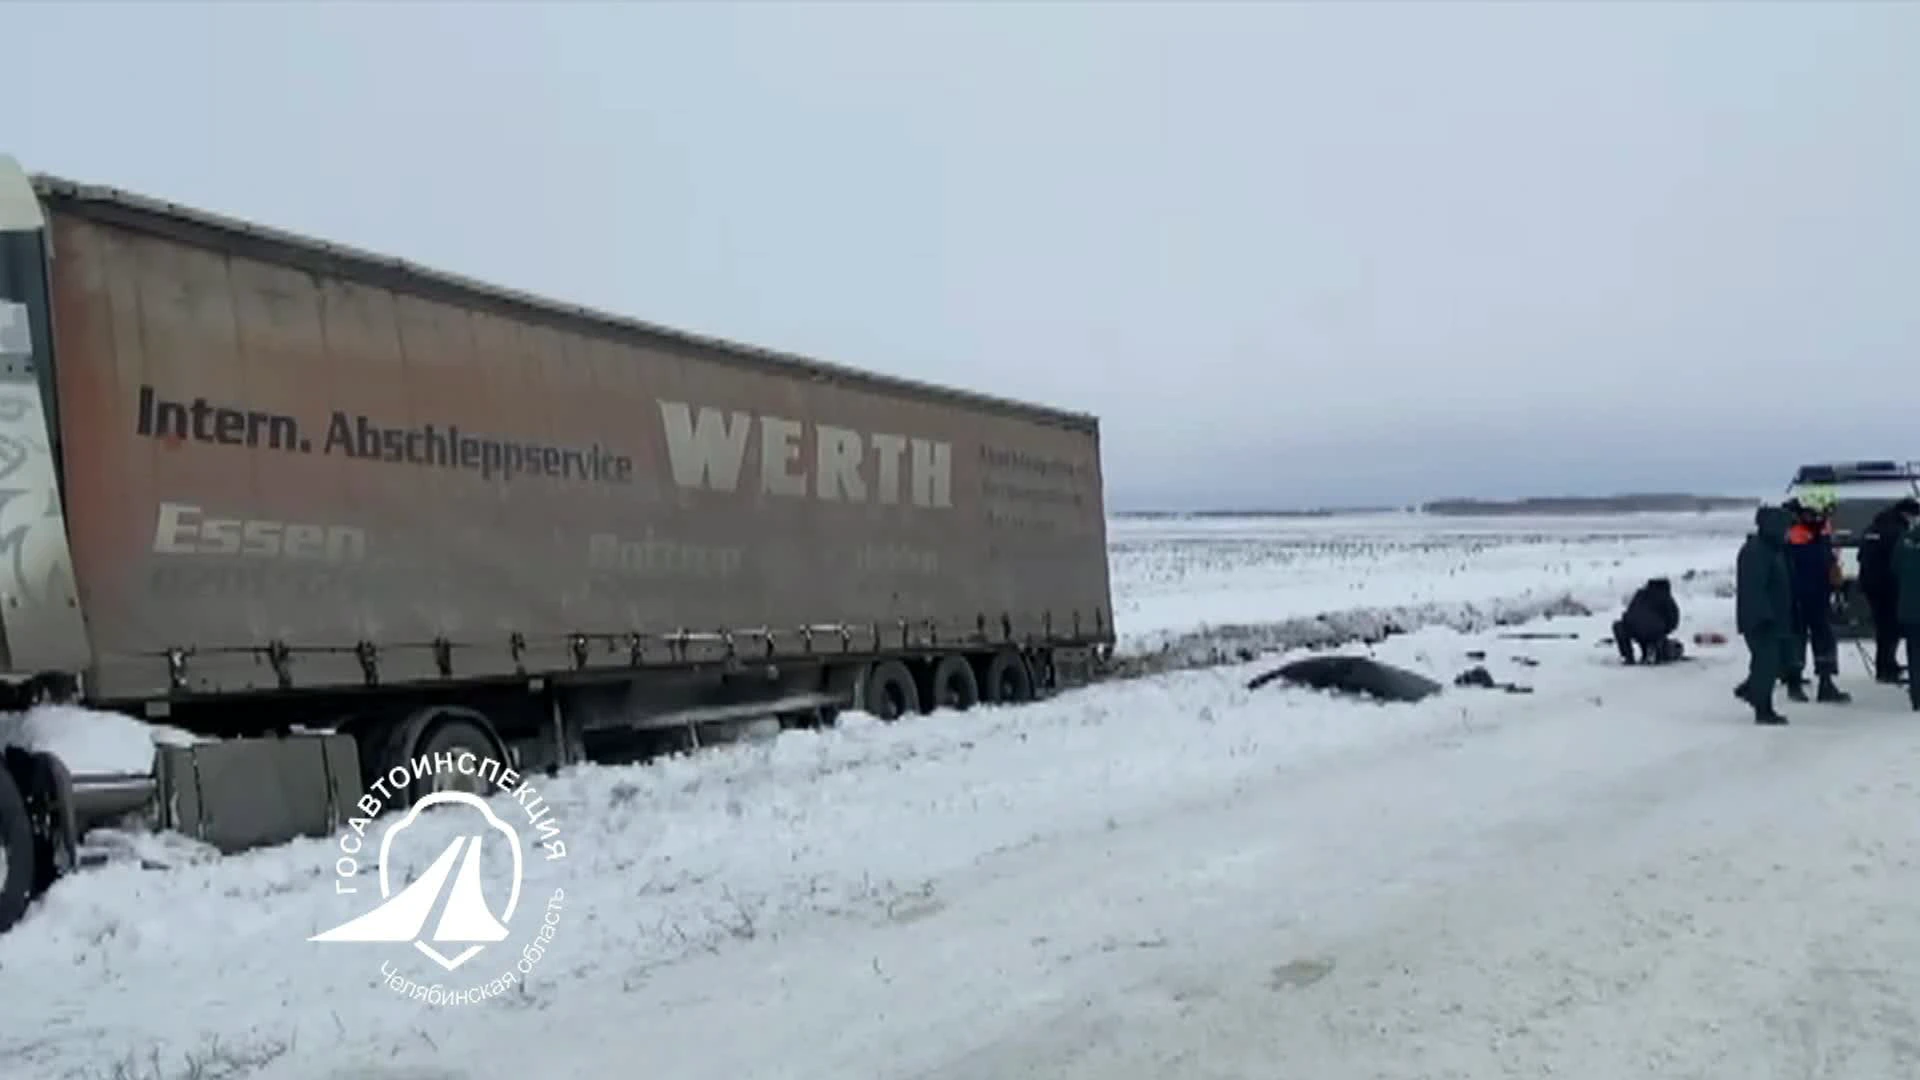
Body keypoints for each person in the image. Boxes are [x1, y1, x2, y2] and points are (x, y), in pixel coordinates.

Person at [1781, 493, 1850, 704]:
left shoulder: (1821, 531)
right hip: (1797, 595)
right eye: (1818, 513)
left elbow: (1827, 557)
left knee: (1825, 638)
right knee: (1796, 640)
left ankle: (1826, 682)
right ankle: (1794, 682)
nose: (1822, 517)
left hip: (1820, 593)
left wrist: (1835, 575)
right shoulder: (1792, 533)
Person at [1734, 504, 1793, 725]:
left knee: (1768, 662)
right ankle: (1763, 708)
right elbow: (1753, 588)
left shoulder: (1771, 550)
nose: (1788, 532)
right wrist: (1762, 617)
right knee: (1766, 663)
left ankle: (1755, 693)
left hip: (1772, 617)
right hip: (1761, 619)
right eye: (1785, 527)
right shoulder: (1756, 552)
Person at [1857, 496, 1919, 683]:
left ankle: (1886, 664)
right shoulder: (1897, 531)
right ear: (1906, 514)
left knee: (1883, 627)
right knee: (1890, 628)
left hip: (1870, 584)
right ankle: (1886, 668)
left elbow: (1861, 556)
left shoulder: (1873, 527)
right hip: (1887, 585)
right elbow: (1899, 562)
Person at [1613, 577, 1681, 664]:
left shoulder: (1640, 594)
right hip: (1654, 632)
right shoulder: (1665, 597)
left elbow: (1630, 612)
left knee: (1619, 626)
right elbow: (1673, 618)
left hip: (1633, 629)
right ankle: (1657, 652)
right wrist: (1665, 631)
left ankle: (1628, 656)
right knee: (1654, 631)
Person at [1898, 522, 1920, 712]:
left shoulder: (1906, 539)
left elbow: (1895, 567)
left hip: (1910, 607)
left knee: (1914, 654)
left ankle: (1917, 695)